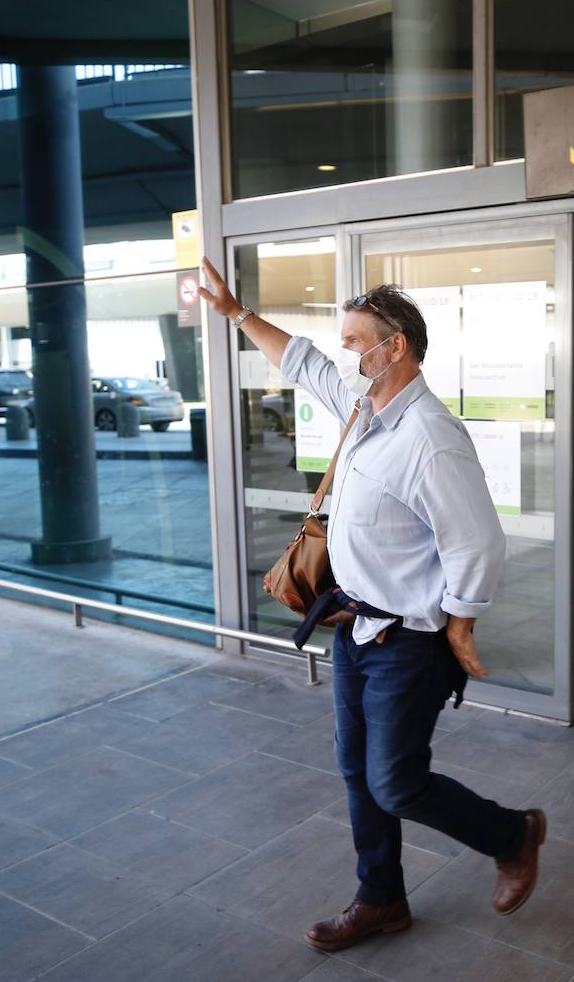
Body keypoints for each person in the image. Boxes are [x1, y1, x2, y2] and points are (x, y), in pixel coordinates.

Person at [198, 257, 546, 952]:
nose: (344, 354)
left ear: (396, 348)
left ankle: (514, 834)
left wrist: (462, 623)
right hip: (355, 627)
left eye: (355, 342)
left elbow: (478, 541)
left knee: (396, 780)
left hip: (411, 640)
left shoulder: (431, 438)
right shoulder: (364, 406)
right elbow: (298, 360)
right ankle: (381, 897)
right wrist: (239, 315)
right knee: (358, 770)